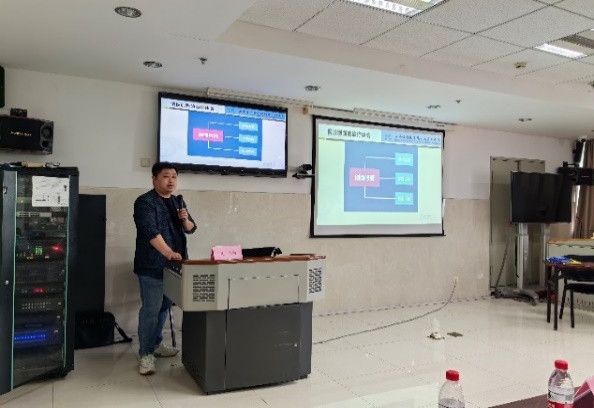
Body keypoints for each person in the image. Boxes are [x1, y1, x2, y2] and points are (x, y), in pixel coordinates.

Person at [133, 162, 196, 375]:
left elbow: (191, 228)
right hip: (152, 265)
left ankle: (156, 344)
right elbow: (150, 231)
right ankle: (146, 354)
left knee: (164, 307)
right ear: (154, 179)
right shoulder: (145, 202)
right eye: (166, 176)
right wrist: (168, 252)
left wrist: (185, 219)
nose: (171, 180)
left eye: (174, 177)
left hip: (175, 267)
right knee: (151, 309)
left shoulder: (178, 201)